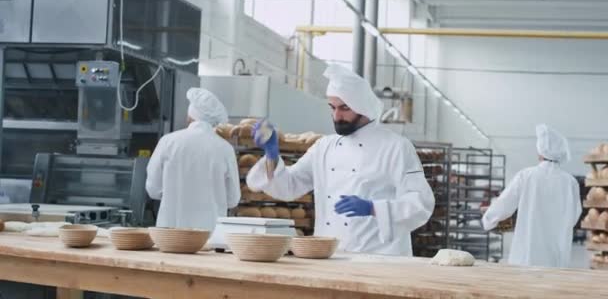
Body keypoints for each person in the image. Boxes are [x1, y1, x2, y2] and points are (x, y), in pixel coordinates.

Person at [246, 64, 435, 256]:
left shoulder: (396, 147)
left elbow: (421, 204)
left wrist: (373, 208)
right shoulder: (324, 147)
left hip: (380, 258)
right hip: (331, 255)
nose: (337, 116)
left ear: (362, 107)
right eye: (333, 108)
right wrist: (272, 155)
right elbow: (289, 187)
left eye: (344, 108)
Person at [481, 124, 581, 267]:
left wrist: (488, 220)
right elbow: (574, 216)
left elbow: (504, 203)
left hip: (527, 255)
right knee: (553, 286)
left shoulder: (526, 176)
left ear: (540, 152)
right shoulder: (570, 182)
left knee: (526, 285)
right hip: (557, 256)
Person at [146, 88, 240, 231]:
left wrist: (175, 192)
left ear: (190, 117)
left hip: (170, 234)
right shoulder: (225, 149)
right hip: (210, 236)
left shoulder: (168, 142)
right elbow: (233, 199)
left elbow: (153, 189)